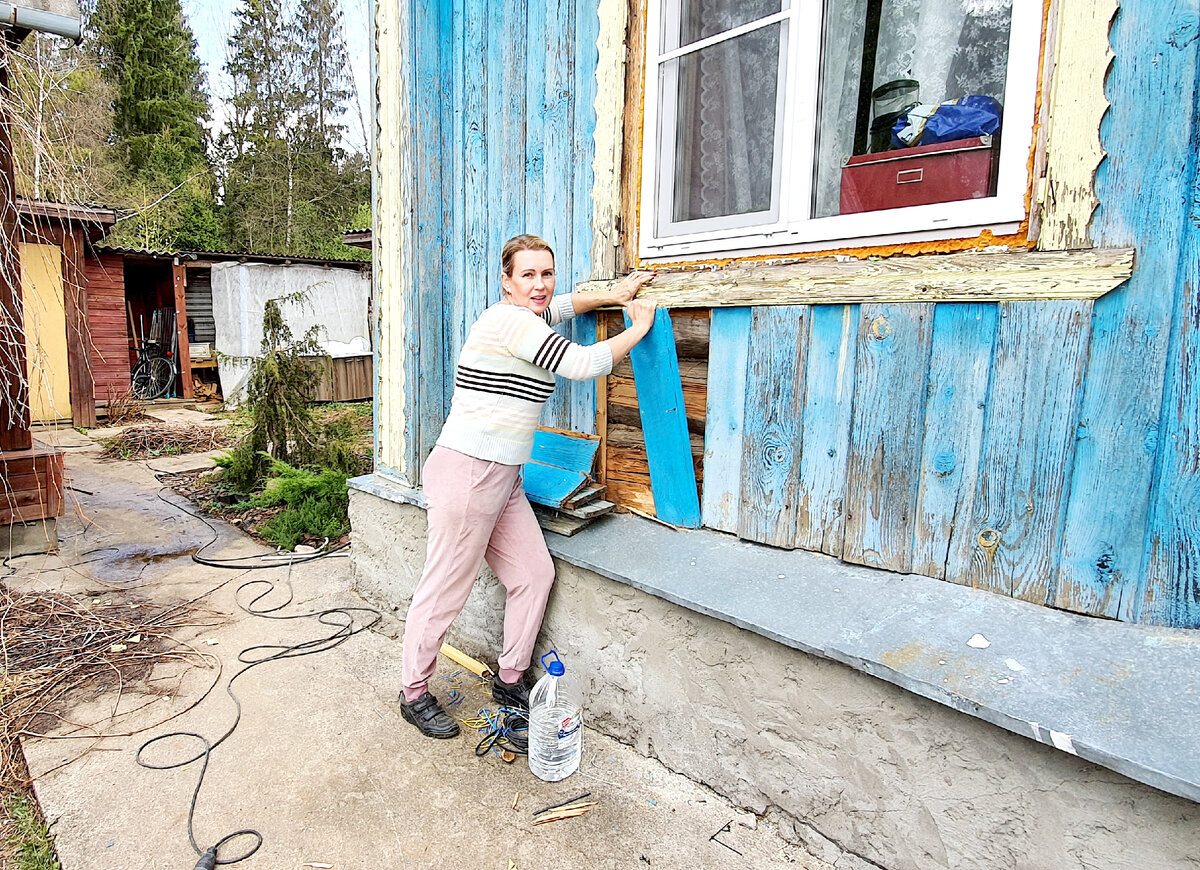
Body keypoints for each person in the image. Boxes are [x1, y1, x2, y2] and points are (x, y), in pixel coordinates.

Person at [400, 233, 658, 739]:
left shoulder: (528, 315)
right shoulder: (510, 322)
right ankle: (413, 693)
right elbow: (582, 364)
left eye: (546, 273)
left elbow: (561, 306)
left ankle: (511, 678)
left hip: (504, 476)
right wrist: (640, 328)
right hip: (470, 473)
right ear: (506, 281)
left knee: (534, 574)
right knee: (444, 589)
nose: (539, 286)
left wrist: (615, 293)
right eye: (527, 275)